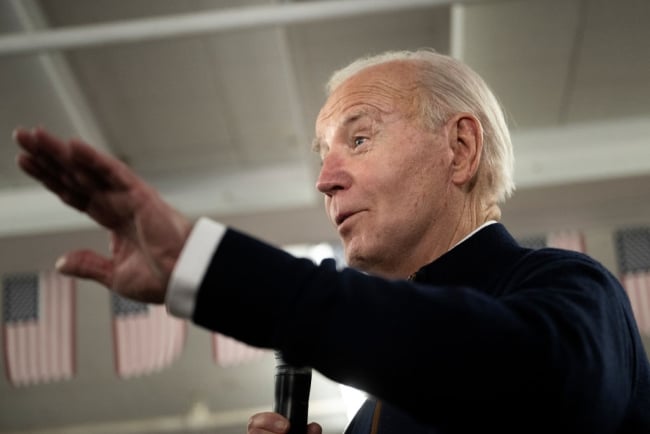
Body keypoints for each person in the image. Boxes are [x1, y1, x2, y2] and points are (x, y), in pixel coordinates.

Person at [13, 49, 650, 434]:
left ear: (460, 149)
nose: (325, 179)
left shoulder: (571, 289)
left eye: (360, 138)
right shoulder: (369, 415)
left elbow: (522, 376)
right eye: (322, 155)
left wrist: (205, 265)